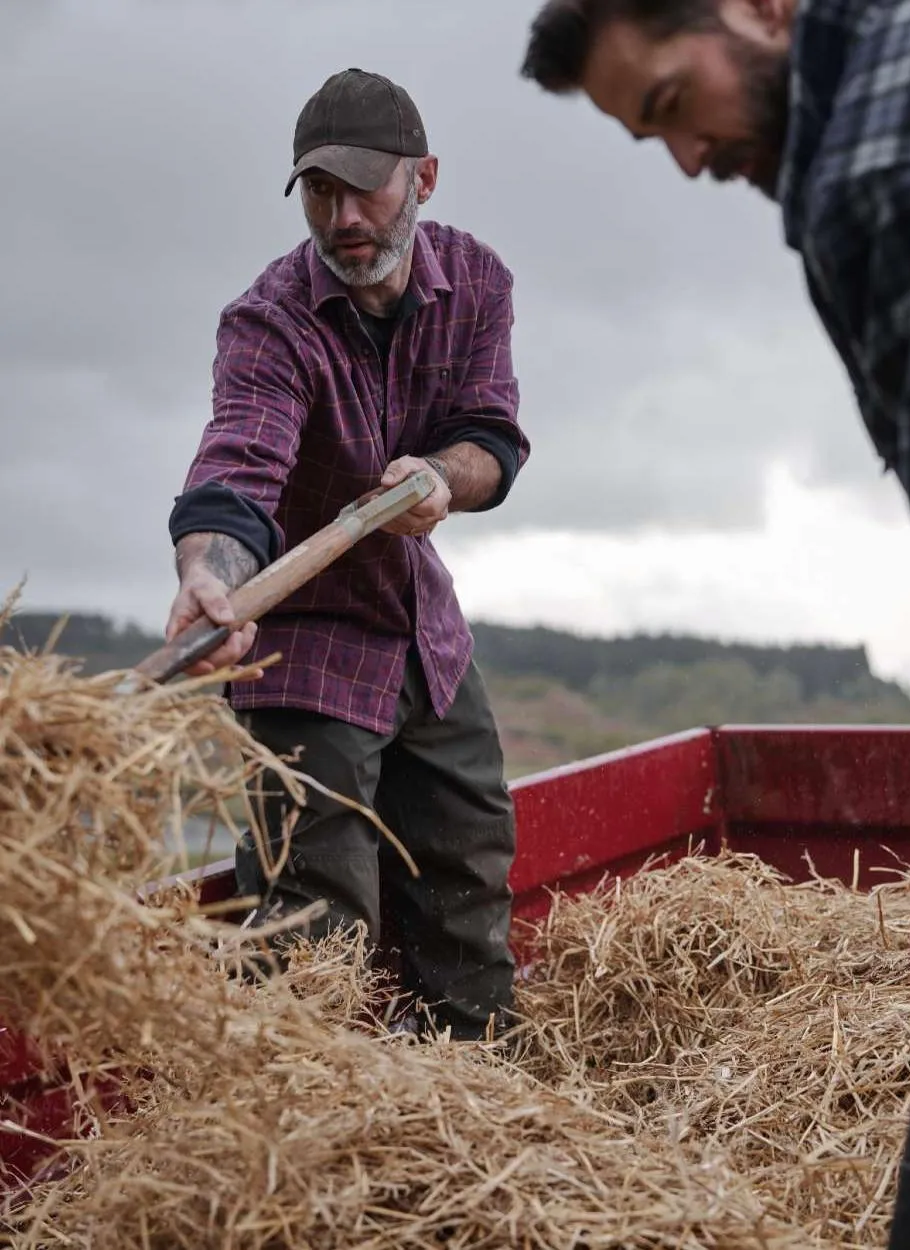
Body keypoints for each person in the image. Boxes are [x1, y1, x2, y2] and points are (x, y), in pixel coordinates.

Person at [519, 0, 910, 1043]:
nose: (690, 159)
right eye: (656, 140)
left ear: (758, 9)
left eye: (674, 103)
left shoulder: (886, 181)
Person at [165, 67, 530, 1041]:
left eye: (365, 186)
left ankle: (480, 1109)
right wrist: (211, 572)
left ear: (425, 178)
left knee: (469, 874)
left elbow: (493, 442)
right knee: (313, 934)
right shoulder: (271, 320)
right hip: (307, 652)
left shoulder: (478, 282)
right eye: (320, 191)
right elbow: (239, 465)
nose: (343, 215)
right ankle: (312, 1139)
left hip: (425, 639)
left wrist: (440, 477)